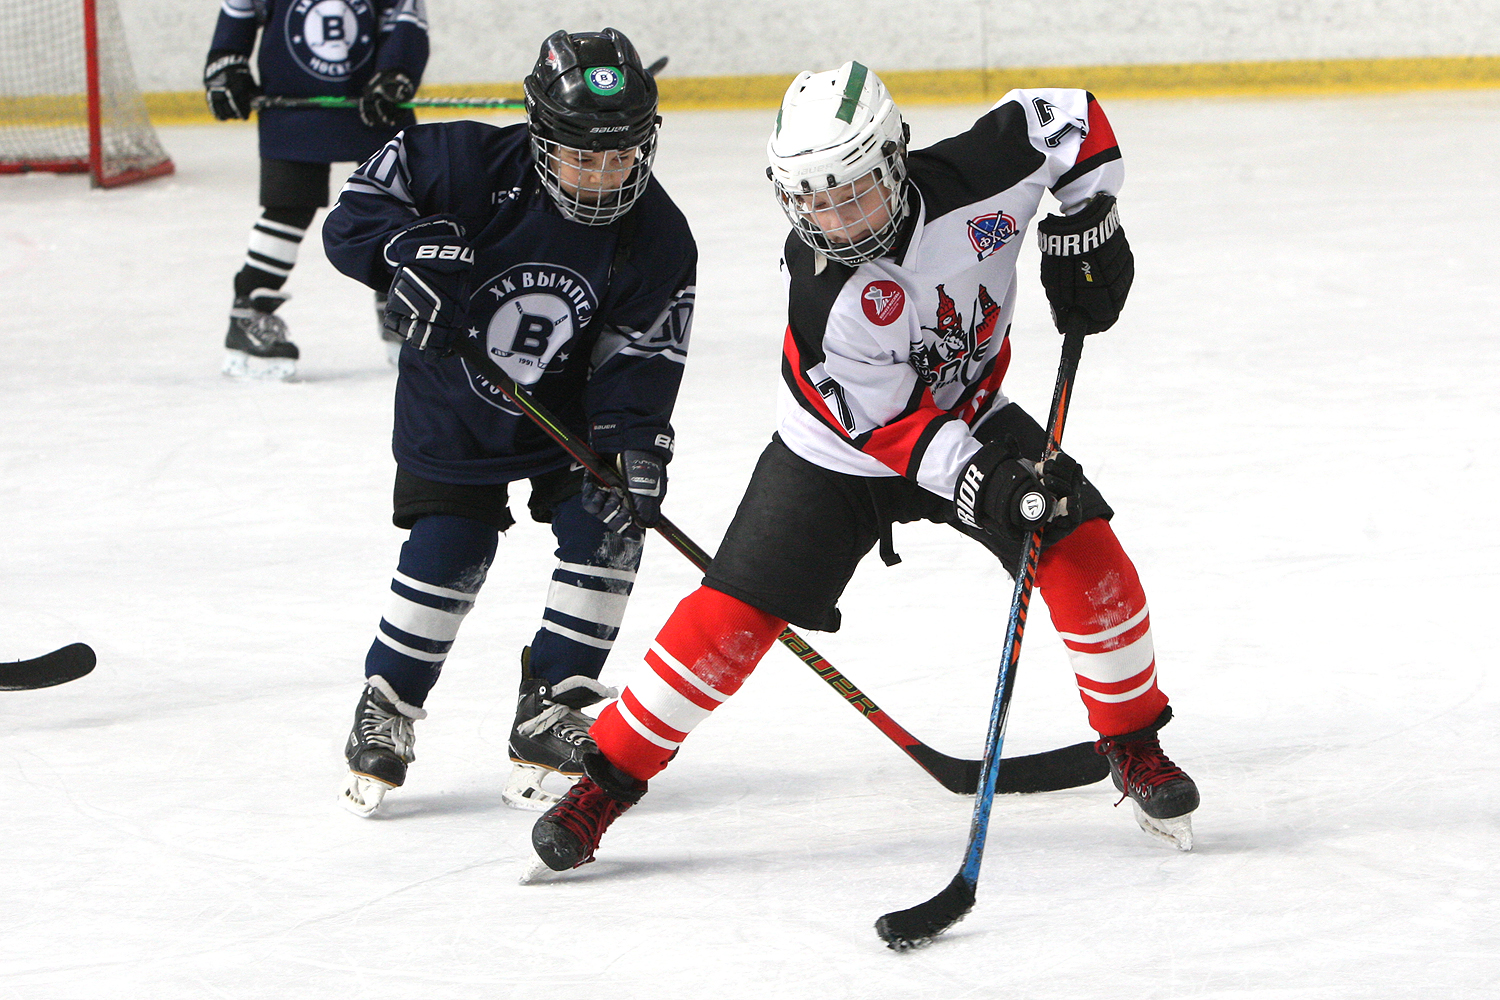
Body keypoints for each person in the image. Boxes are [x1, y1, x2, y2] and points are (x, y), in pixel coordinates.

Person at [529, 62, 1199, 873]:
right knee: (732, 619)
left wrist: (1088, 220)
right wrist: (992, 483)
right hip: (838, 453)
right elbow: (890, 430)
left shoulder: (982, 173)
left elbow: (1071, 119)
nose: (838, 222)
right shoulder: (826, 296)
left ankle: (1133, 743)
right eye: (814, 202)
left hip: (967, 409)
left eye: (854, 195)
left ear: (894, 162)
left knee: (1083, 547)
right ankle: (603, 781)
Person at [321, 28, 696, 817]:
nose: (604, 174)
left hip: (568, 412)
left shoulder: (657, 233)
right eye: (583, 155)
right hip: (452, 403)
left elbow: (640, 357)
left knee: (608, 526)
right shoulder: (459, 163)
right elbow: (354, 216)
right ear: (540, 136)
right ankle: (388, 701)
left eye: (622, 154)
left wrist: (635, 446)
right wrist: (398, 257)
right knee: (450, 546)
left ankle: (554, 704)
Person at [204, 0, 430, 378]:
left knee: (395, 202)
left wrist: (396, 72)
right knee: (288, 206)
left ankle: (402, 307)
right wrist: (227, 62)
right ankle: (249, 312)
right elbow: (240, 9)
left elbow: (405, 17)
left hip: (373, 102)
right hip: (292, 103)